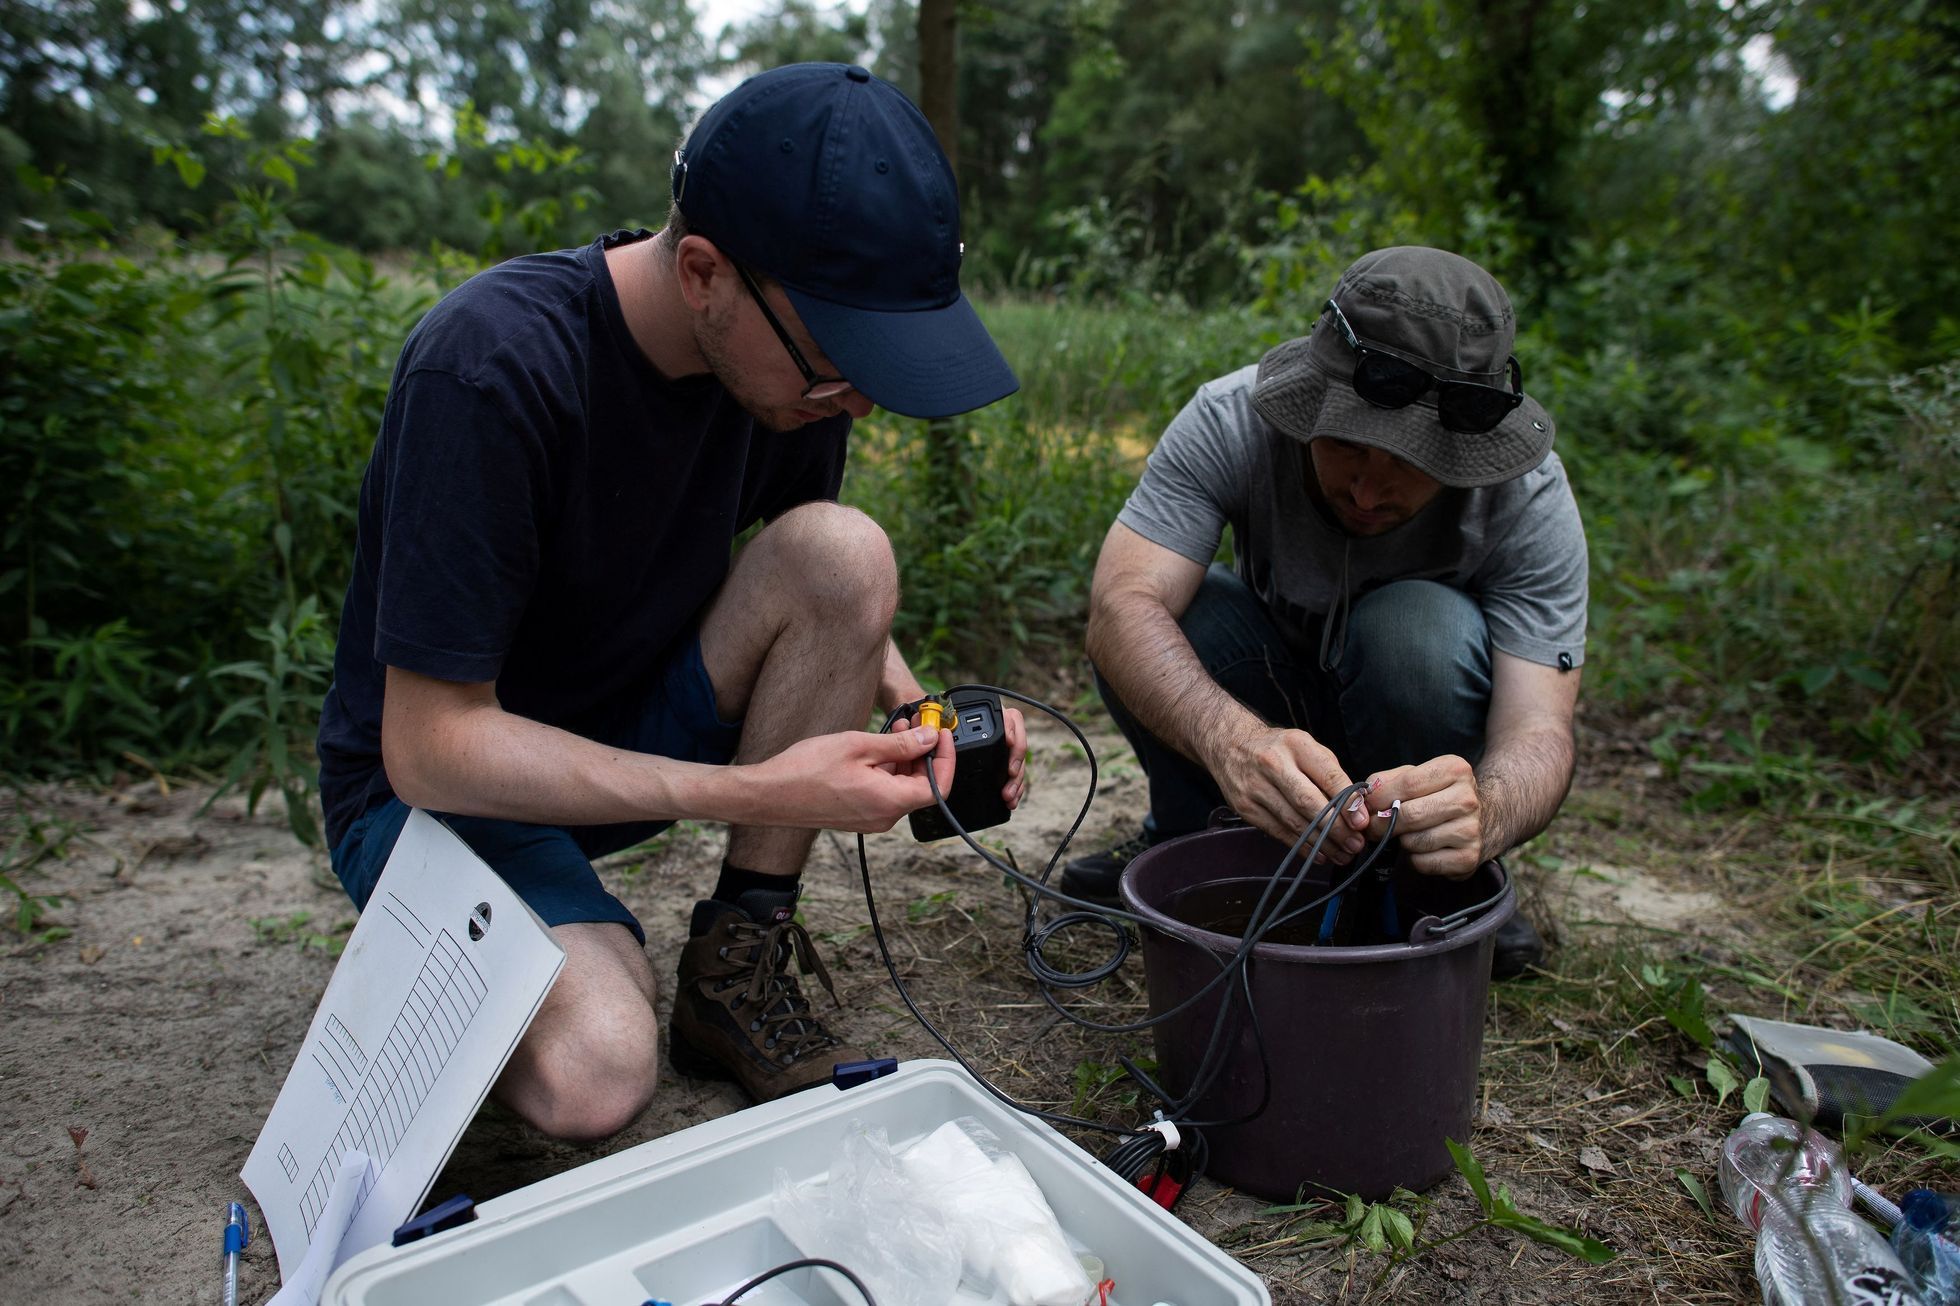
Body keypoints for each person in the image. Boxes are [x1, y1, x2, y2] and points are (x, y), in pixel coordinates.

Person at [314, 62, 1030, 1140]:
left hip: (619, 723)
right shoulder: (490, 370)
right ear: (703, 272)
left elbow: (819, 588)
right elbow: (430, 745)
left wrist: (920, 720)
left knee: (843, 549)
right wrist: (760, 790)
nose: (859, 399)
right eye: (840, 365)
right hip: (436, 788)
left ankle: (734, 964)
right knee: (596, 1074)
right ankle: (434, 943)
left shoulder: (788, 373)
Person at [1060, 246, 1585, 977]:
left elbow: (1540, 729)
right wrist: (1232, 742)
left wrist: (1486, 815)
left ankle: (1434, 878)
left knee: (1417, 632)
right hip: (1268, 693)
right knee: (1178, 615)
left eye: (1413, 463)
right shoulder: (1231, 419)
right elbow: (1122, 605)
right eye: (1344, 446)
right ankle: (1192, 838)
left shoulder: (1526, 495)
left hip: (1417, 744)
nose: (1369, 493)